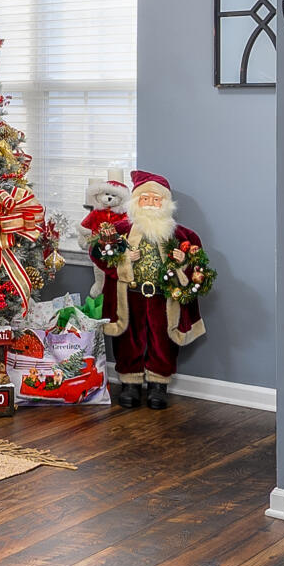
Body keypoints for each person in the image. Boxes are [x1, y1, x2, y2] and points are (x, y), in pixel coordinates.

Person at [91, 170, 209, 408]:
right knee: (128, 340)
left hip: (162, 297)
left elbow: (198, 267)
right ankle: (130, 384)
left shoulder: (182, 235)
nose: (152, 204)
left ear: (165, 203)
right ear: (137, 202)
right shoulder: (121, 231)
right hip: (130, 295)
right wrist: (124, 258)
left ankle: (158, 385)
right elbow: (98, 254)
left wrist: (182, 261)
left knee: (163, 341)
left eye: (157, 199)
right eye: (146, 199)